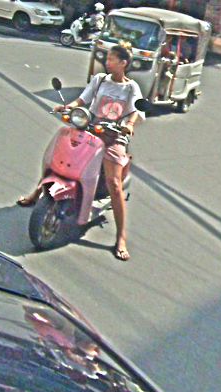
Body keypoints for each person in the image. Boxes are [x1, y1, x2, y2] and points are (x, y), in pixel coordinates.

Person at [17, 43, 144, 261]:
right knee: (58, 158)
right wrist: (68, 107)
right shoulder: (100, 79)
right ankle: (35, 195)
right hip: (90, 127)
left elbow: (136, 109)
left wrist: (129, 124)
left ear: (123, 63)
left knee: (114, 184)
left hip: (113, 135)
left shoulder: (131, 88)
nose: (107, 62)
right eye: (108, 58)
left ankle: (121, 237)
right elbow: (82, 99)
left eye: (112, 59)